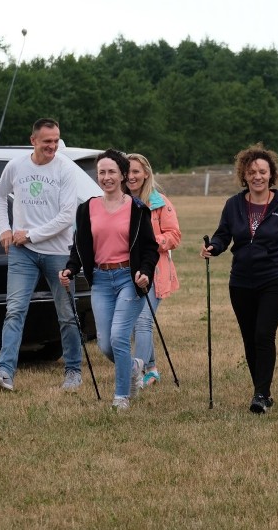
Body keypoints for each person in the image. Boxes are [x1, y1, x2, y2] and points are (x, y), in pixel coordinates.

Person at [200, 143, 278, 414]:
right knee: (249, 337)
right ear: (244, 176)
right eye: (251, 172)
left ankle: (260, 394)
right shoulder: (234, 205)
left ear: (271, 175)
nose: (257, 176)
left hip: (274, 279)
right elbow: (224, 235)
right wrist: (214, 246)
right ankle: (263, 391)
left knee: (263, 334)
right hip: (241, 282)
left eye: (262, 171)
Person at [0, 118, 82, 392]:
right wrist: (5, 229)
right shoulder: (16, 166)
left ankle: (73, 371)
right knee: (14, 310)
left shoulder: (65, 169)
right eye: (47, 141)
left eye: (55, 140)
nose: (52, 146)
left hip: (58, 253)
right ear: (33, 140)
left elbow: (66, 216)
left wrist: (30, 234)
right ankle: (5, 372)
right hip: (22, 254)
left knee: (66, 313)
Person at [59, 149, 159, 410]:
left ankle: (121, 396)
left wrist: (145, 272)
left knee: (119, 337)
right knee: (105, 345)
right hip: (101, 281)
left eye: (111, 172)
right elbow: (79, 246)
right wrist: (71, 268)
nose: (106, 177)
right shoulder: (87, 208)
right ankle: (136, 365)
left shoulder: (137, 209)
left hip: (129, 278)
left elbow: (149, 249)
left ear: (123, 175)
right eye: (101, 172)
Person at [126, 153, 181, 387]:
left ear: (146, 173)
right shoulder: (118, 201)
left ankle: (137, 372)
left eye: (136, 171)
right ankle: (151, 368)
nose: (131, 176)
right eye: (127, 172)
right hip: (125, 273)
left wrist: (148, 241)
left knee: (143, 321)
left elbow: (174, 236)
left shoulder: (160, 202)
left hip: (155, 273)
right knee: (132, 324)